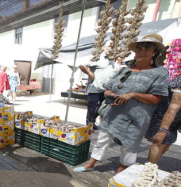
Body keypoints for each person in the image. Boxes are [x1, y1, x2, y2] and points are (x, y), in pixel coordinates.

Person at [74, 34, 169, 174]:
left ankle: (121, 171)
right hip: (113, 113)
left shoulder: (160, 72)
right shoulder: (124, 69)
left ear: (154, 52)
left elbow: (156, 98)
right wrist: (111, 94)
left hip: (136, 117)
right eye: (138, 48)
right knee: (102, 139)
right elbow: (108, 88)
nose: (141, 52)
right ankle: (91, 163)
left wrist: (133, 95)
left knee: (130, 144)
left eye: (147, 48)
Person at [145, 73, 181, 163]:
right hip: (165, 116)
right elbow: (174, 106)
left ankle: (151, 166)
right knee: (160, 141)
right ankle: (149, 168)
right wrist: (163, 130)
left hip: (176, 118)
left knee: (168, 142)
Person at [78, 41, 115, 129]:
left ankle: (93, 122)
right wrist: (89, 73)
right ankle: (89, 124)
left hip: (106, 89)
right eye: (109, 46)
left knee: (102, 108)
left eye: (113, 47)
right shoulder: (98, 58)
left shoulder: (112, 60)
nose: (111, 49)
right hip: (95, 88)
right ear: (104, 47)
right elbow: (82, 65)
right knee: (92, 108)